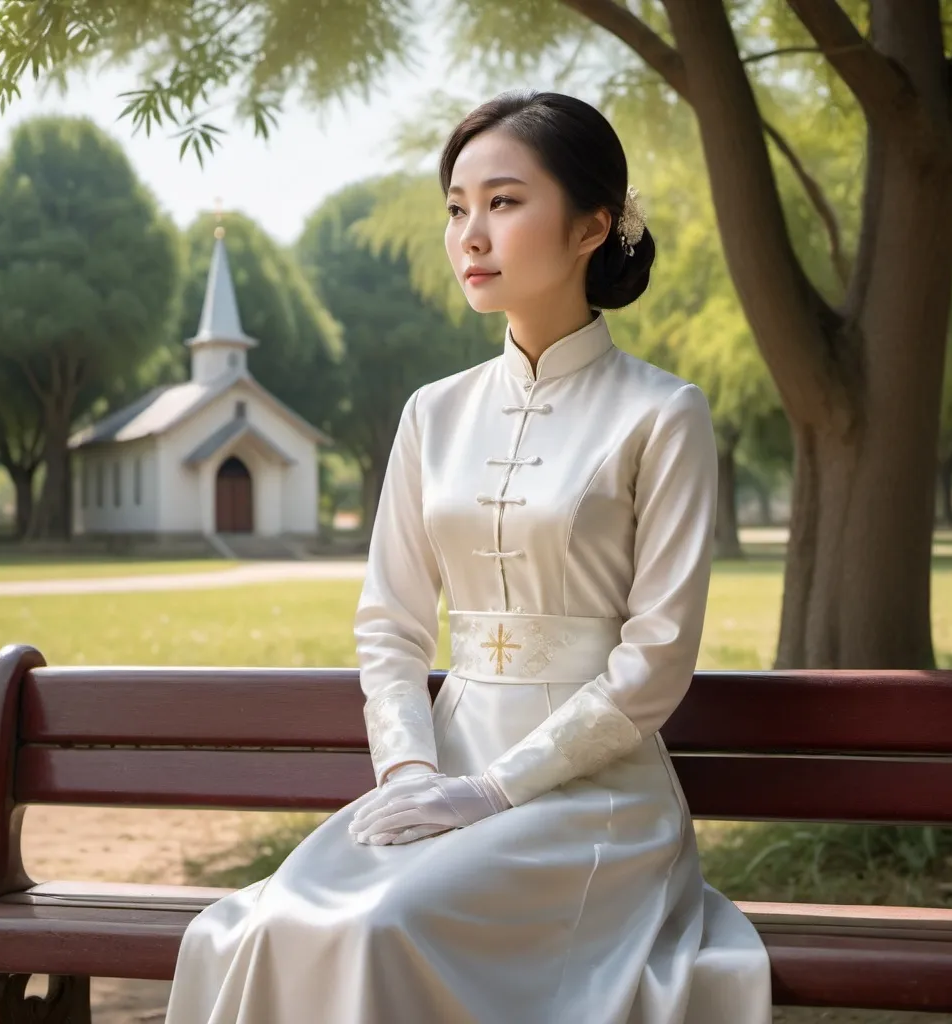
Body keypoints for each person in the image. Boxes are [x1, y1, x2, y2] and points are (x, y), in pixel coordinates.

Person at [165, 90, 772, 1024]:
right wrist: (411, 774)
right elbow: (391, 623)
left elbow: (656, 663)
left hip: (589, 797)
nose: (470, 236)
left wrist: (494, 791)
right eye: (456, 208)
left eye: (503, 201)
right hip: (439, 773)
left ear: (592, 227)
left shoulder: (663, 413)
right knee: (270, 922)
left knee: (384, 924)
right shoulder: (432, 413)